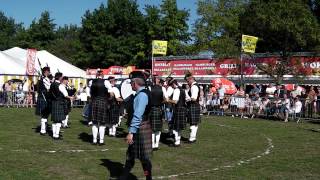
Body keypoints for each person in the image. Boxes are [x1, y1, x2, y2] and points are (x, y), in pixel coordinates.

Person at [120, 71, 152, 180]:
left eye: (131, 83)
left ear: (135, 83)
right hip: (141, 126)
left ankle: (149, 178)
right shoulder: (142, 93)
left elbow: (138, 114)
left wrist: (131, 132)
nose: (130, 85)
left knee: (144, 158)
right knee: (130, 155)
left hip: (140, 128)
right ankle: (123, 177)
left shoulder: (142, 95)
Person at [90, 70, 112, 145]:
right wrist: (109, 99)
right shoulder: (106, 82)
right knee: (102, 123)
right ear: (102, 75)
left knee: (94, 122)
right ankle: (101, 141)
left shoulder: (91, 82)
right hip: (103, 102)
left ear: (97, 75)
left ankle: (94, 140)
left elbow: (90, 93)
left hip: (94, 102)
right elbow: (111, 93)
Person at [50, 74, 74, 140]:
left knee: (55, 121)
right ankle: (56, 135)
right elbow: (66, 95)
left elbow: (50, 93)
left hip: (54, 103)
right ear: (60, 78)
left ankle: (54, 134)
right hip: (59, 103)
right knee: (58, 121)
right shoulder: (61, 86)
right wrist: (71, 98)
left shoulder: (52, 84)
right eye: (62, 77)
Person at [167, 79, 186, 147]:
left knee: (175, 127)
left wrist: (168, 100)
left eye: (171, 86)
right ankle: (178, 141)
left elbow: (175, 101)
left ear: (173, 84)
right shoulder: (183, 90)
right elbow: (187, 99)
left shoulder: (176, 90)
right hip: (183, 109)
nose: (171, 87)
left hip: (178, 109)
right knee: (179, 127)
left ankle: (177, 142)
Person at [149, 75, 164, 150]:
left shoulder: (149, 88)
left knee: (151, 128)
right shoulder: (162, 88)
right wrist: (161, 102)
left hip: (151, 109)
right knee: (158, 129)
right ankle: (156, 145)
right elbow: (166, 99)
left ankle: (152, 145)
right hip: (158, 109)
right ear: (158, 80)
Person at [35, 67, 52, 135]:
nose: (49, 72)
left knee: (46, 114)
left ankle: (44, 128)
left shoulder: (47, 79)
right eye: (48, 71)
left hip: (47, 98)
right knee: (44, 115)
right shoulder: (41, 80)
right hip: (43, 98)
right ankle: (42, 130)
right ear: (45, 72)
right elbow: (39, 89)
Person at [185, 73, 201, 143]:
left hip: (193, 105)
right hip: (195, 106)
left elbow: (194, 98)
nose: (187, 83)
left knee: (192, 123)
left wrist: (187, 98)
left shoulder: (194, 87)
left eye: (187, 81)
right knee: (195, 123)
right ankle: (193, 138)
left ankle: (191, 138)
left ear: (191, 79)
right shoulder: (195, 86)